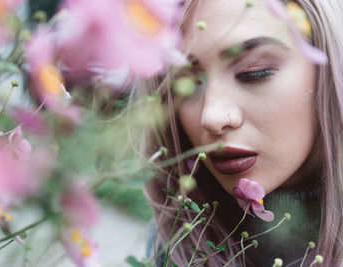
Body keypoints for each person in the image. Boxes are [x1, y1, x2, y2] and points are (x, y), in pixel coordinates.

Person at [144, 0, 343, 266]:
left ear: (331, 71)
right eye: (188, 84)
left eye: (254, 72)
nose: (212, 117)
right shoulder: (172, 244)